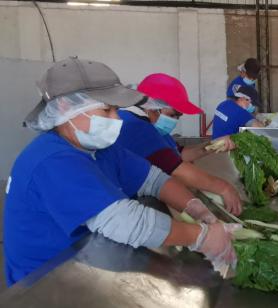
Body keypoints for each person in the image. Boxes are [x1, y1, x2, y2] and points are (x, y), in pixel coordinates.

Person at [4, 57, 239, 286]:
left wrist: (197, 210)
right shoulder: (53, 161)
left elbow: (155, 180)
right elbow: (126, 223)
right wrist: (201, 237)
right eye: (107, 110)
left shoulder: (101, 149)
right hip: (46, 281)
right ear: (66, 107)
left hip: (88, 258)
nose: (117, 119)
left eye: (116, 109)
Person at [115, 73, 242, 215]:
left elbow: (180, 154)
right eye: (172, 115)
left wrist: (213, 145)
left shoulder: (150, 124)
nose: (175, 121)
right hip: (127, 203)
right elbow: (177, 170)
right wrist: (223, 188)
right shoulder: (135, 126)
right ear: (153, 106)